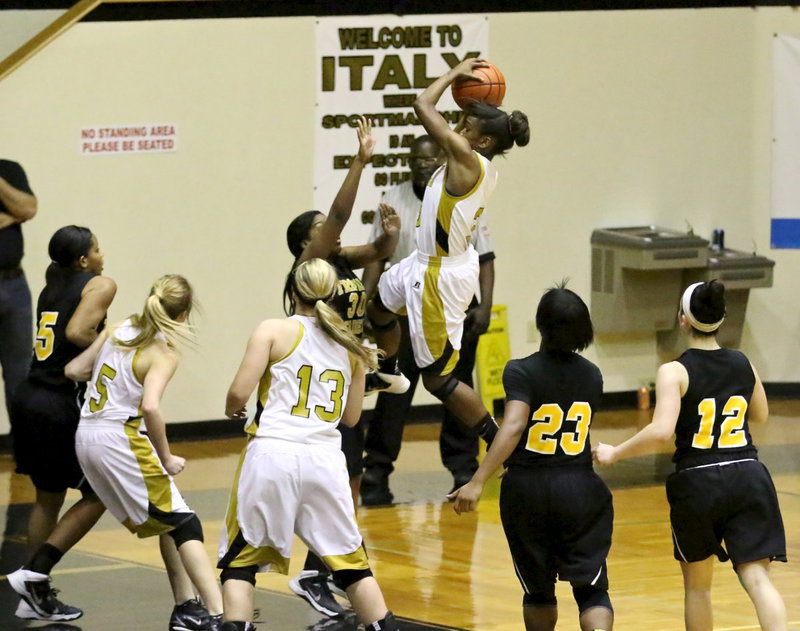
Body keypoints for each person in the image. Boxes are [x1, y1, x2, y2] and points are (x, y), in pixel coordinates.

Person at [594, 280, 787, 631]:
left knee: (698, 588)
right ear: (722, 318)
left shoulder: (674, 371)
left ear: (683, 320)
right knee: (758, 580)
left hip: (698, 480)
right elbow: (760, 415)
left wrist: (615, 452)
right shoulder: (744, 362)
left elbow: (661, 431)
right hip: (747, 471)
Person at [218, 258, 398, 631]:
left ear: (291, 291)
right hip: (325, 461)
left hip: (273, 454)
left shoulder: (273, 329)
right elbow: (350, 419)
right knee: (353, 567)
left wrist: (235, 409)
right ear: (333, 294)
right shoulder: (351, 345)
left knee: (241, 564)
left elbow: (238, 393)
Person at [366, 58, 529, 449]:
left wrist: (455, 74)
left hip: (439, 278)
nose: (457, 128)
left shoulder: (467, 160)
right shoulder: (477, 162)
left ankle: (500, 442)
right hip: (423, 264)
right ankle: (388, 371)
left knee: (439, 379)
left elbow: (423, 105)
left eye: (466, 127)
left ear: (484, 141)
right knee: (377, 309)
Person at [61, 274, 225, 631]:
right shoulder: (163, 353)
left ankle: (185, 607)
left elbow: (74, 369)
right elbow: (151, 407)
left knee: (168, 518)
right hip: (120, 438)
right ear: (183, 315)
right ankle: (218, 616)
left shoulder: (119, 328)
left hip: (86, 434)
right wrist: (166, 458)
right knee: (186, 523)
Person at [283, 117, 400, 616]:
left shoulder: (342, 262)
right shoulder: (309, 266)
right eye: (323, 231)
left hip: (343, 380)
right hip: (316, 388)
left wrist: (391, 233)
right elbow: (336, 211)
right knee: (336, 481)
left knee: (349, 478)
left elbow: (376, 250)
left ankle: (316, 569)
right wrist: (360, 159)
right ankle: (316, 569)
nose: (333, 231)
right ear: (309, 243)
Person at [450, 285, 614, 631]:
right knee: (592, 591)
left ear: (540, 325)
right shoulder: (593, 375)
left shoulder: (520, 371)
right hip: (580, 487)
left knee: (539, 593)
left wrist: (478, 480)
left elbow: (513, 426)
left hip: (528, 491)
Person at [360, 134, 497, 505]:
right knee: (394, 394)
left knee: (450, 384)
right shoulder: (392, 197)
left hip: (451, 309)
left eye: (428, 158)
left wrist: (484, 307)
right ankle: (376, 472)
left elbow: (486, 257)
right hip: (406, 308)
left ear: (440, 157)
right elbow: (375, 255)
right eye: (414, 159)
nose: (421, 165)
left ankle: (465, 467)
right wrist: (365, 301)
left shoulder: (458, 190)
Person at [7, 225, 116, 622]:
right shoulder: (101, 284)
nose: (103, 255)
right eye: (98, 249)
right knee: (101, 491)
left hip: (29, 396)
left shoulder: (53, 282)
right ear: (84, 260)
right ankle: (35, 576)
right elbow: (77, 332)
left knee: (47, 498)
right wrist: (115, 342)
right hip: (56, 402)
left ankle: (33, 591)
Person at [0, 159, 37, 420]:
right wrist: (13, 217)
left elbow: (28, 208)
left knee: (20, 373)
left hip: (14, 286)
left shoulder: (9, 169)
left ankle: (24, 449)